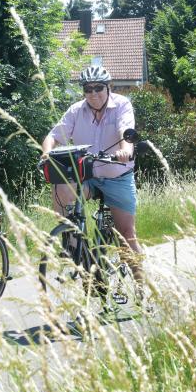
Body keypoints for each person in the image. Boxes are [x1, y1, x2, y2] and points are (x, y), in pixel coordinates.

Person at [40, 66, 149, 306]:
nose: (93, 93)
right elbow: (53, 135)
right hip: (87, 175)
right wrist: (46, 153)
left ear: (108, 87)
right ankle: (72, 244)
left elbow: (125, 130)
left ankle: (142, 290)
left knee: (126, 234)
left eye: (98, 88)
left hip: (117, 175)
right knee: (60, 188)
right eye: (88, 89)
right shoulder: (76, 110)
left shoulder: (121, 105)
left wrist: (125, 150)